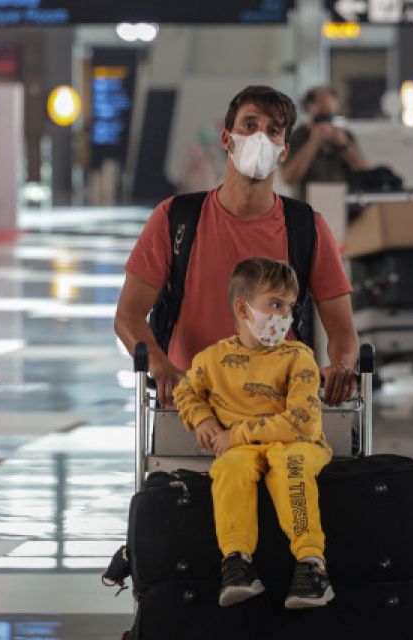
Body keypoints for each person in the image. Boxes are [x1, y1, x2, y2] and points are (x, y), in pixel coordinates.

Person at [115, 85, 358, 408]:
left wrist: (340, 367)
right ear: (226, 138)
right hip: (191, 406)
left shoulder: (306, 228)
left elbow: (343, 331)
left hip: (279, 412)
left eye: (273, 131)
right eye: (249, 125)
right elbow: (128, 315)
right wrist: (160, 367)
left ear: (284, 150)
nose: (260, 138)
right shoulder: (175, 219)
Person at [174, 258, 334, 609]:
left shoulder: (298, 356)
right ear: (243, 309)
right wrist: (202, 419)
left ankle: (311, 565)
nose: (284, 316)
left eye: (289, 307)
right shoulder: (212, 359)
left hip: (296, 443)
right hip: (240, 449)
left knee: (290, 463)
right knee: (230, 467)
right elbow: (185, 391)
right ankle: (236, 561)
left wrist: (238, 434)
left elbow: (302, 422)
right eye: (275, 304)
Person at [281, 85, 369, 197]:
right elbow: (288, 178)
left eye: (330, 111)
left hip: (340, 203)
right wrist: (313, 142)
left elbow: (365, 173)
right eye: (322, 111)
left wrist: (344, 146)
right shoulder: (298, 136)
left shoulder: (345, 136)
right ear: (309, 108)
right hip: (307, 204)